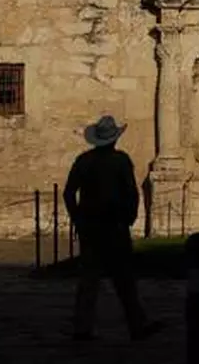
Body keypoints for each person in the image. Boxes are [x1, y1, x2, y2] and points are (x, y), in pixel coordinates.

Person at [63, 114, 164, 342]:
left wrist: (77, 218)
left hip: (90, 226)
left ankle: (82, 327)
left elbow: (69, 192)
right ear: (114, 139)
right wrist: (129, 217)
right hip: (114, 226)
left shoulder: (83, 161)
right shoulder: (120, 161)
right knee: (124, 280)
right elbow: (131, 192)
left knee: (89, 280)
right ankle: (137, 325)